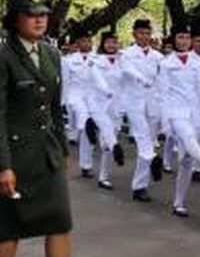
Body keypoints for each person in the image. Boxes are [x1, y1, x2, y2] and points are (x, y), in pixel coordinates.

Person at [0, 0, 96, 257]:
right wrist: (2, 164)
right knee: (6, 229)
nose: (40, 20)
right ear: (14, 19)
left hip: (46, 153)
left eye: (43, 14)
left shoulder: (51, 53)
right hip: (12, 157)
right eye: (31, 15)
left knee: (60, 221)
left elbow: (54, 107)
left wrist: (61, 148)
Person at [158, 23, 200, 218]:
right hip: (175, 113)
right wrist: (165, 122)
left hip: (194, 114)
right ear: (174, 40)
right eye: (180, 38)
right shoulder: (165, 64)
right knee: (188, 139)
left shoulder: (198, 63)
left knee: (186, 160)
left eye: (187, 38)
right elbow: (162, 94)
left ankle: (178, 202)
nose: (184, 41)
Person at [118, 19, 165, 202]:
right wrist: (141, 78)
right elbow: (128, 70)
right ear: (134, 34)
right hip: (134, 103)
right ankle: (153, 161)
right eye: (141, 33)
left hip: (152, 104)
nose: (144, 37)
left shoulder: (157, 57)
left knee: (147, 143)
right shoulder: (127, 54)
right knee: (143, 139)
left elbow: (163, 79)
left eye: (147, 33)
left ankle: (140, 186)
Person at [87, 31, 126, 190]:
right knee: (109, 139)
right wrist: (105, 90)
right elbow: (97, 79)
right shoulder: (95, 61)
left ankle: (104, 177)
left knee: (107, 144)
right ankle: (113, 146)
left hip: (116, 106)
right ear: (103, 44)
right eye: (109, 42)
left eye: (114, 42)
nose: (112, 45)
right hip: (99, 103)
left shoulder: (122, 60)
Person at [61, 33, 97, 179]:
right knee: (83, 125)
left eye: (88, 41)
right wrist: (62, 101)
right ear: (77, 43)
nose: (86, 44)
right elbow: (65, 81)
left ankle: (86, 166)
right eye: (83, 41)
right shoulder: (68, 61)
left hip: (93, 99)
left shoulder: (98, 59)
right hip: (75, 97)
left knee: (87, 131)